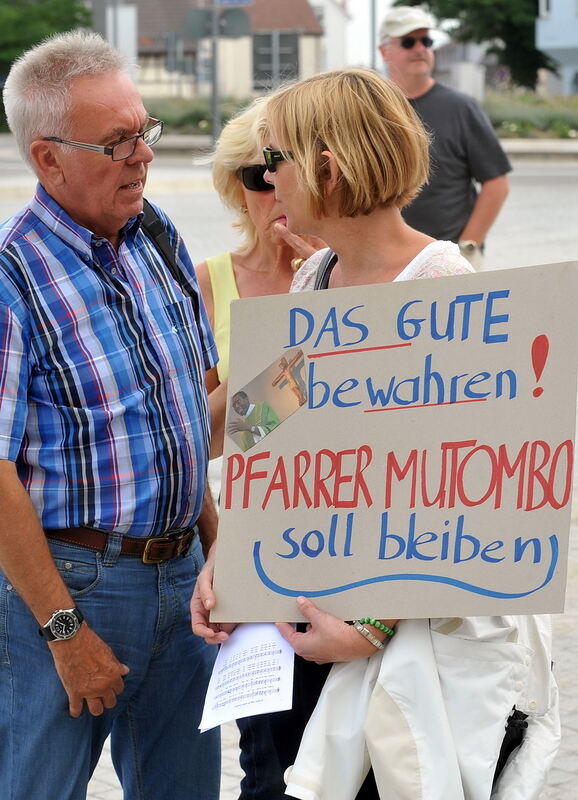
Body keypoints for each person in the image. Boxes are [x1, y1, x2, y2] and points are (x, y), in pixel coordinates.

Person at [193, 67, 560, 800]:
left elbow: (479, 492)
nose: (268, 180)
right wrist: (229, 562)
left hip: (400, 651)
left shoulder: (444, 286)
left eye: (276, 159)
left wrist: (372, 624)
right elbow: (265, 436)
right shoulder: (315, 278)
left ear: (327, 167)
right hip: (302, 619)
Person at [0, 31, 220, 800]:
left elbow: (191, 414)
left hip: (185, 576)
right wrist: (64, 633)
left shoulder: (156, 236)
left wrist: (227, 557)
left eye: (145, 131)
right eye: (117, 142)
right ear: (47, 158)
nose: (143, 156)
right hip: (75, 588)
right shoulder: (11, 277)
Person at [194, 99, 321, 800]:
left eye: (283, 170)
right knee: (268, 766)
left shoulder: (353, 271)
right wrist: (293, 338)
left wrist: (321, 305)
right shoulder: (208, 281)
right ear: (232, 187)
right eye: (254, 175)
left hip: (356, 546)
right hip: (260, 545)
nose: (273, 191)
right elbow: (208, 437)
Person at [378, 6, 512, 269]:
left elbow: (496, 183)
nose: (419, 48)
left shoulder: (461, 108)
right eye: (408, 41)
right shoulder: (372, 110)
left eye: (426, 41)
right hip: (384, 260)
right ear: (384, 51)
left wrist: (468, 246)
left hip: (448, 258)